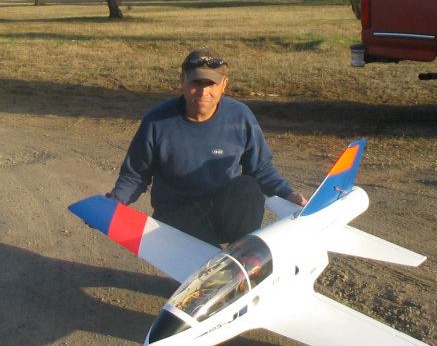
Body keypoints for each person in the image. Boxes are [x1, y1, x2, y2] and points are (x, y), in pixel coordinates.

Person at [108, 47, 306, 246]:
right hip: (178, 215)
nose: (204, 92)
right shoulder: (156, 121)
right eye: (196, 83)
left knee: (248, 188)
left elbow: (260, 168)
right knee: (206, 271)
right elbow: (135, 175)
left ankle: (241, 258)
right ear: (182, 81)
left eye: (211, 84)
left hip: (222, 209)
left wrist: (288, 194)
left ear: (224, 85)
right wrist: (114, 202)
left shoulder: (240, 116)